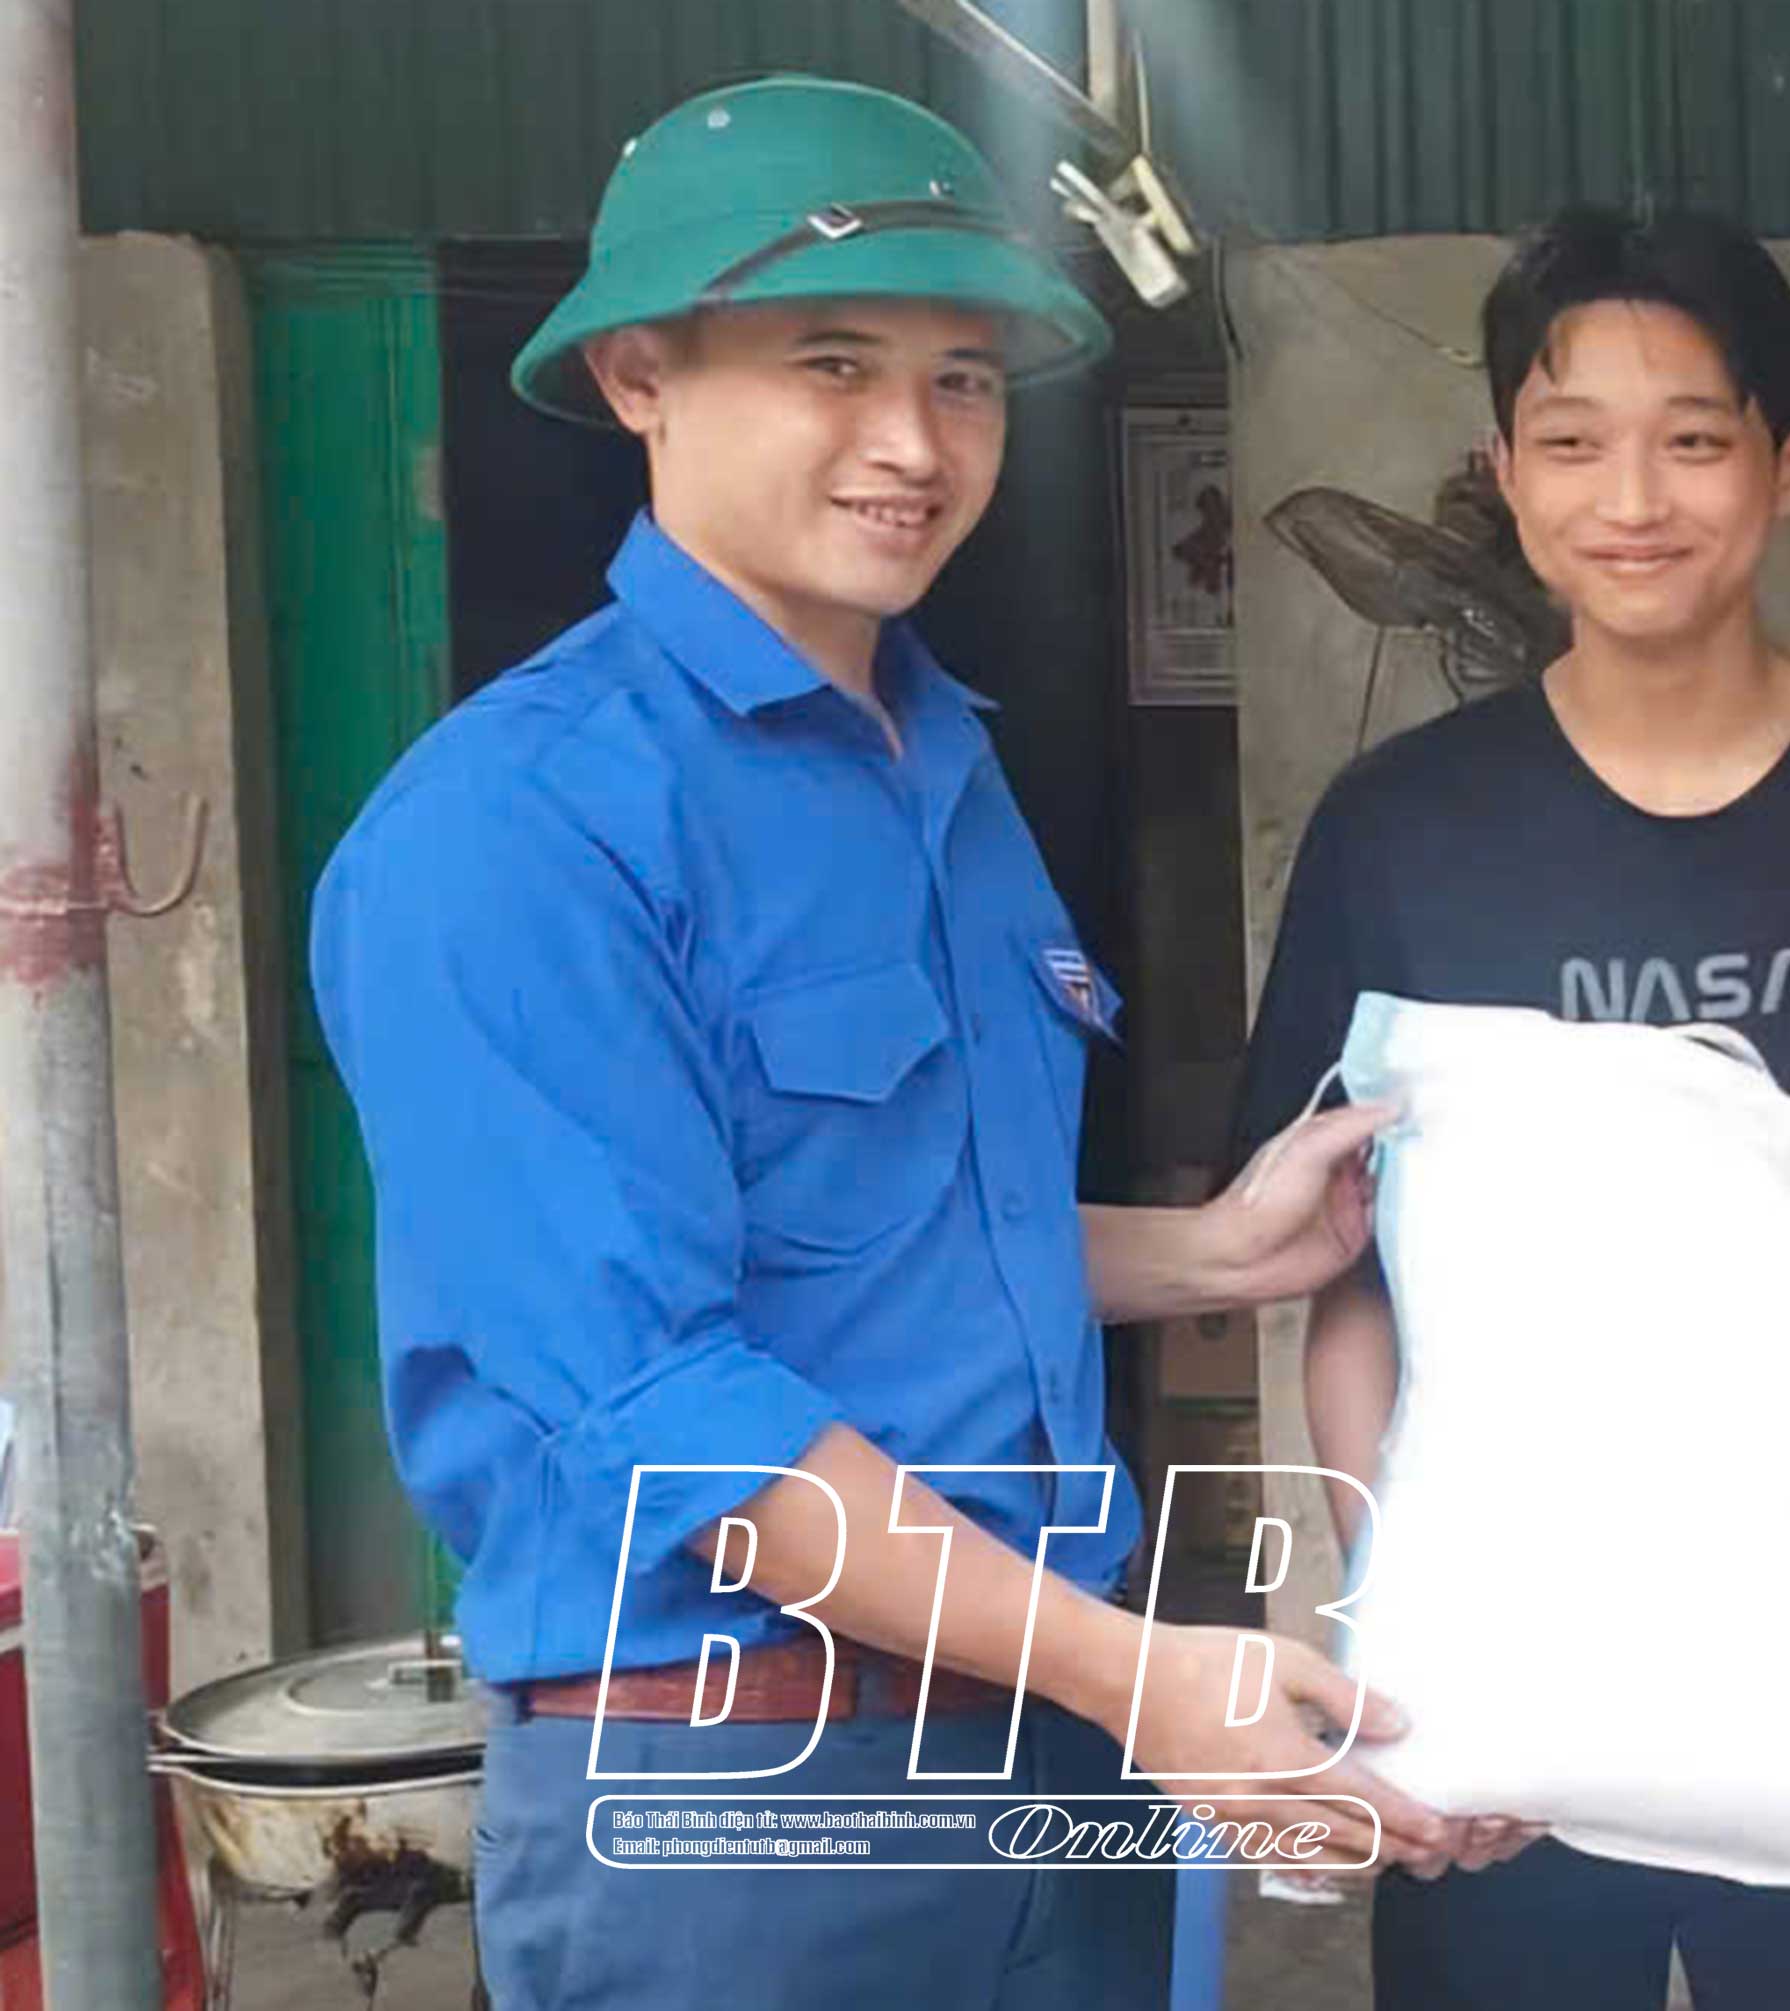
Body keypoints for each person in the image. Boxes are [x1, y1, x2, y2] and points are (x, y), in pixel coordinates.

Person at [310, 75, 1455, 2011]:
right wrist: (1144, 1679)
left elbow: (899, 1230)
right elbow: (672, 1408)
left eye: (964, 380)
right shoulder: (514, 831)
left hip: (1049, 1750)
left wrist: (1212, 1252)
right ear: (640, 376)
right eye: (832, 364)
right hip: (740, 1803)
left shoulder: (947, 767)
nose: (914, 443)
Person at [1230, 203, 1790, 2011]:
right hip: (1501, 1704)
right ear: (1505, 473)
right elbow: (1344, 1277)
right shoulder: (1402, 831)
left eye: (1694, 439)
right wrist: (1402, 1623)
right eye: (1572, 443)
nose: (1632, 499)